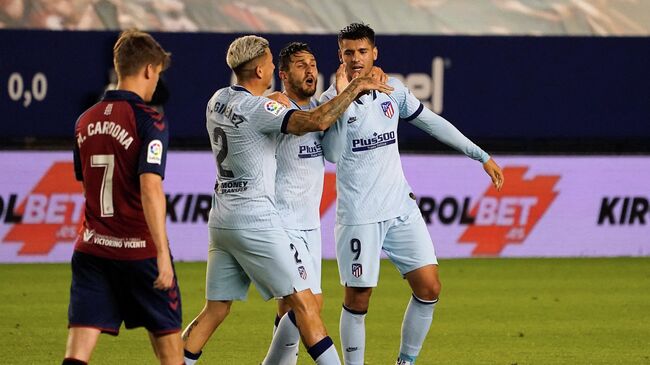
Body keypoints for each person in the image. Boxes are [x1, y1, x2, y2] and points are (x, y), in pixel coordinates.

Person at [180, 35, 392, 365]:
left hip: (224, 218)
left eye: (312, 64)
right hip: (260, 220)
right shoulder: (264, 107)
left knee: (216, 309)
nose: (309, 70)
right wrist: (355, 87)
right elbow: (317, 121)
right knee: (308, 304)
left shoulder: (217, 100)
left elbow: (321, 130)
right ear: (264, 69)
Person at [320, 23, 505, 365]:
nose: (356, 58)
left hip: (400, 207)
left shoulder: (393, 91)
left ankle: (405, 362)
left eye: (362, 51)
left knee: (429, 287)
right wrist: (346, 97)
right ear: (340, 56)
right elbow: (331, 154)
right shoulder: (329, 101)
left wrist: (480, 155)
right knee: (358, 298)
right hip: (360, 214)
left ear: (375, 52)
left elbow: (433, 123)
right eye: (348, 52)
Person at [64, 30, 183, 365]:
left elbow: (85, 184)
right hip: (139, 251)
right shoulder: (150, 119)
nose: (156, 80)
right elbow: (150, 187)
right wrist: (161, 254)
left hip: (91, 250)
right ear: (148, 70)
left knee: (77, 353)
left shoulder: (83, 121)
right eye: (157, 73)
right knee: (170, 353)